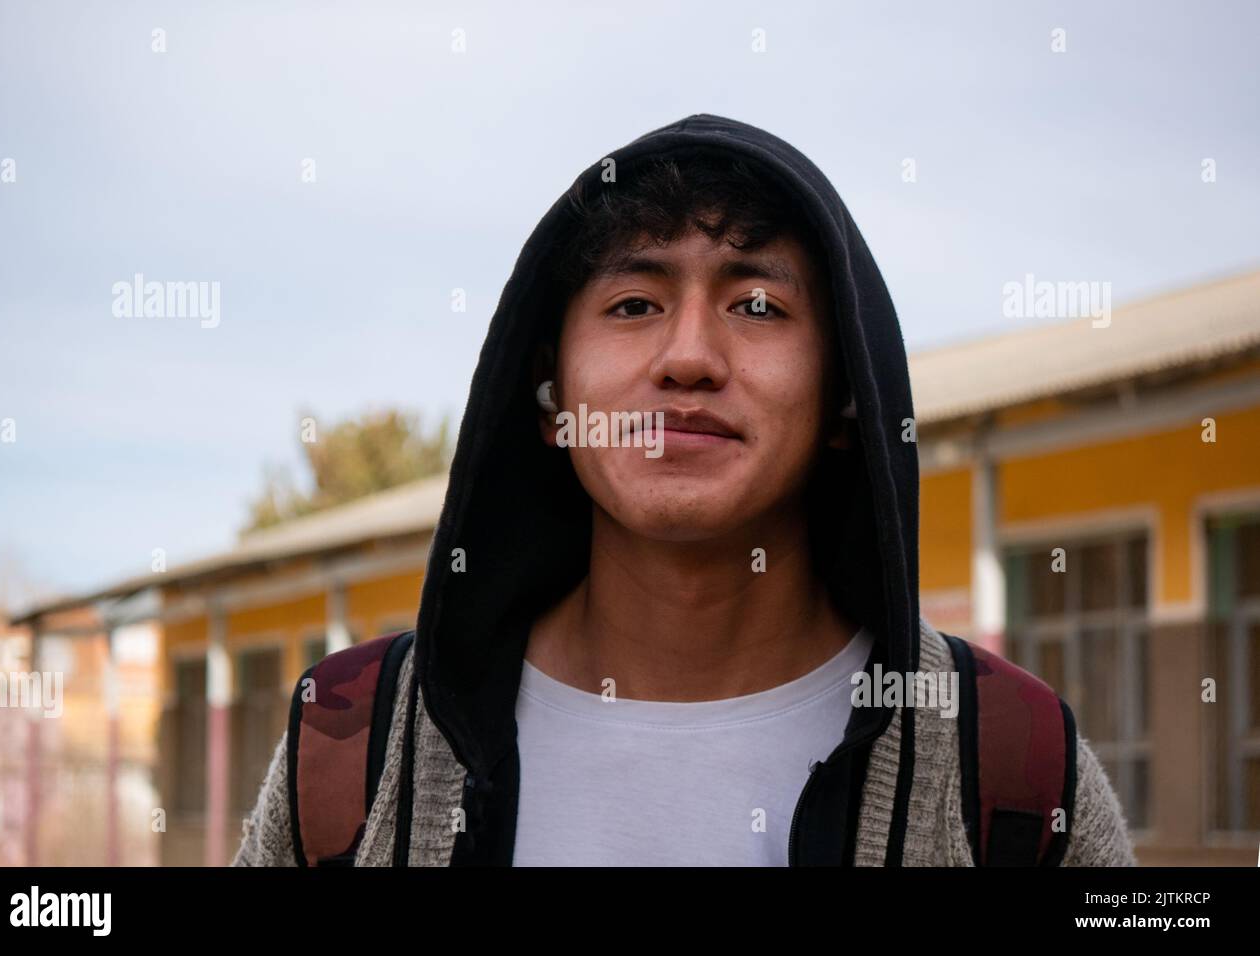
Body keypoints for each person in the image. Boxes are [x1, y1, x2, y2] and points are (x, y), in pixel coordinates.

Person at [233, 113, 1136, 866]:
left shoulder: (1007, 763)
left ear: (842, 399)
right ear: (550, 394)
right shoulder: (358, 749)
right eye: (634, 305)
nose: (691, 358)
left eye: (757, 307)